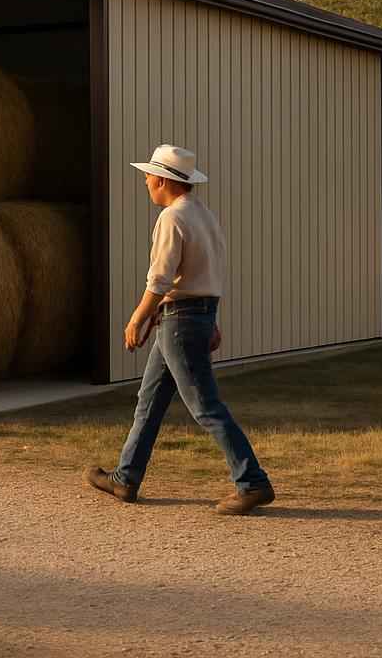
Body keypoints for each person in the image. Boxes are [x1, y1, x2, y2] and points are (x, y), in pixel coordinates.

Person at [86, 144, 275, 516]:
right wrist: (210, 319)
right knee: (150, 401)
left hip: (180, 321)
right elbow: (209, 272)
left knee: (205, 406)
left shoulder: (172, 218)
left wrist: (137, 318)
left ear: (162, 180)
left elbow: (160, 279)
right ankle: (126, 479)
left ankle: (253, 482)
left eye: (148, 175)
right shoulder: (204, 215)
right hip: (194, 316)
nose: (145, 180)